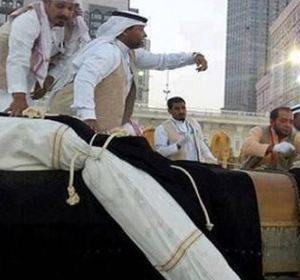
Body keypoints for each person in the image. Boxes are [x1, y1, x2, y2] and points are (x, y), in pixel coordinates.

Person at [70, 10, 208, 132]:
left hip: (102, 130)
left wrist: (192, 57)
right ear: (125, 30)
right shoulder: (107, 52)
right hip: (77, 127)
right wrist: (87, 115)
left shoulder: (130, 54)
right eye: (140, 29)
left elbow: (161, 60)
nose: (145, 34)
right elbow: (84, 79)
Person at [0, 0, 86, 116]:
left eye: (70, 8)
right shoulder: (28, 20)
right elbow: (18, 59)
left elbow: (67, 58)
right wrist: (19, 97)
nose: (65, 13)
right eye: (60, 6)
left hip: (28, 76)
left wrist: (48, 79)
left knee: (25, 115)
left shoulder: (72, 25)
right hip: (6, 71)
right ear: (47, 3)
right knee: (8, 111)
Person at [241, 106, 300, 170]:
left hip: (280, 180)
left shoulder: (294, 137)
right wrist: (273, 148)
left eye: (290, 122)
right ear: (272, 122)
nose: (287, 125)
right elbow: (248, 147)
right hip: (252, 176)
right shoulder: (259, 131)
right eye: (283, 121)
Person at [154, 96, 217, 164]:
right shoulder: (162, 128)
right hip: (178, 168)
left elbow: (202, 145)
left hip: (197, 166)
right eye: (177, 109)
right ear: (169, 111)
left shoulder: (193, 123)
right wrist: (177, 145)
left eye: (183, 108)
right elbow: (160, 153)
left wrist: (212, 160)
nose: (181, 111)